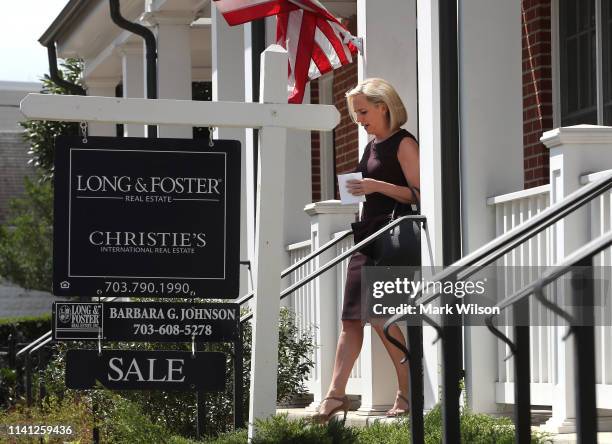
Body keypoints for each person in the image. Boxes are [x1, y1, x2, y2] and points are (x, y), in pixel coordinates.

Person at [312, 78, 420, 423]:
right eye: (355, 112)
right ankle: (334, 396)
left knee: (380, 317)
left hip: (392, 236)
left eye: (362, 111)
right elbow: (366, 191)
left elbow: (418, 193)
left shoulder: (403, 143)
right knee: (350, 320)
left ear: (383, 106)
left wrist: (374, 185)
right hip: (365, 237)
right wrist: (355, 190)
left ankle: (408, 391)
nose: (358, 118)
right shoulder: (371, 145)